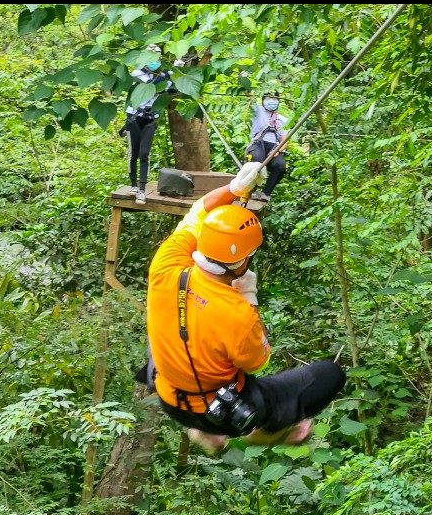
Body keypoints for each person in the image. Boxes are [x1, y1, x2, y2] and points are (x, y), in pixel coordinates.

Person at [142, 161, 347, 455]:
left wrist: (234, 189)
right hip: (226, 412)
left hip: (169, 396)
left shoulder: (166, 263)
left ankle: (204, 432)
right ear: (244, 261)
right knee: (330, 374)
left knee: (162, 319)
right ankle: (261, 432)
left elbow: (199, 210)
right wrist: (248, 298)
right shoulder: (238, 313)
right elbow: (257, 362)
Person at [122, 44, 173, 206]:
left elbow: (170, 90)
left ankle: (142, 189)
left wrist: (175, 75)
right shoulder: (137, 74)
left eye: (156, 58)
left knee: (145, 153)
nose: (153, 61)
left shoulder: (164, 76)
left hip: (151, 119)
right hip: (134, 117)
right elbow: (151, 86)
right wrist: (166, 76)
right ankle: (134, 185)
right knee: (134, 152)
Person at [245, 91, 289, 202]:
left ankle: (266, 193)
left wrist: (277, 151)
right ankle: (252, 189)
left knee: (280, 166)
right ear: (263, 100)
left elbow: (284, 140)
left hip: (274, 146)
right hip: (258, 143)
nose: (271, 101)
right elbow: (250, 100)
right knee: (256, 160)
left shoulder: (282, 120)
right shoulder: (258, 111)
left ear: (278, 102)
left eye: (274, 99)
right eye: (268, 98)